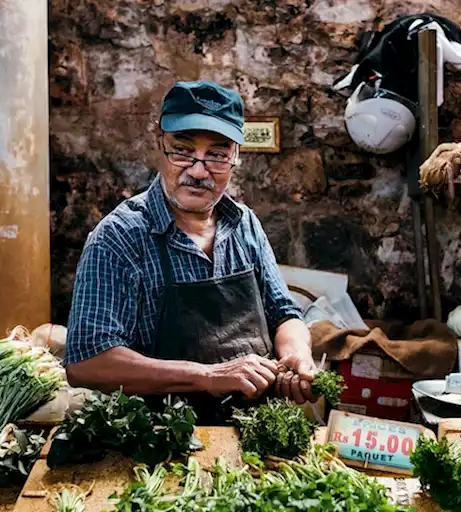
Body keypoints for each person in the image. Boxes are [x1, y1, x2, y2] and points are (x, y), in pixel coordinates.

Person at [33, 80, 318, 423]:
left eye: (217, 154)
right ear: (160, 145)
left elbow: (284, 313)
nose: (198, 171)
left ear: (236, 157)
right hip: (161, 442)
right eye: (182, 151)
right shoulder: (119, 238)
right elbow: (87, 363)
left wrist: (297, 355)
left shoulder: (245, 225)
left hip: (254, 431)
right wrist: (207, 376)